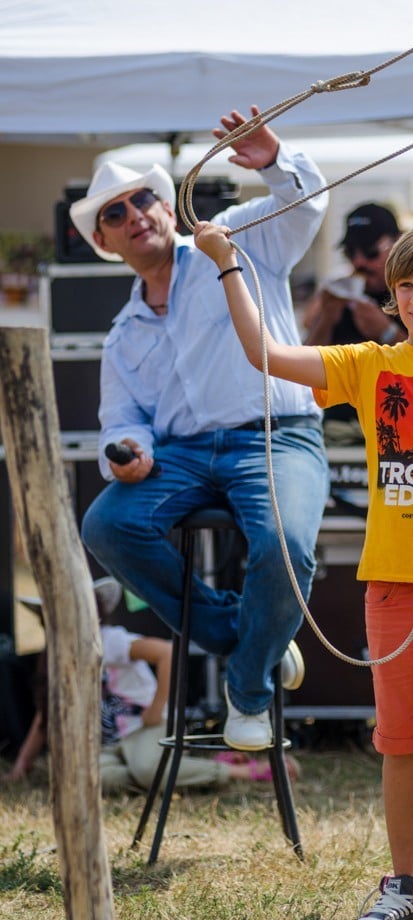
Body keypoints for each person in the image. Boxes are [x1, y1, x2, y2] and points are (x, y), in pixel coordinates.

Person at [193, 217, 413, 920]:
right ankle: (405, 886)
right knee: (402, 743)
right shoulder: (369, 364)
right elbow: (263, 351)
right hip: (392, 585)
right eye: (405, 285)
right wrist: (227, 264)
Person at [68, 106, 330, 753]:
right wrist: (124, 455)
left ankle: (247, 682)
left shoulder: (230, 236)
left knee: (287, 547)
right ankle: (252, 634)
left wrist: (272, 160)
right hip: (184, 455)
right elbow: (122, 425)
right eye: (116, 213)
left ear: (166, 205)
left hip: (278, 431)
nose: (135, 216)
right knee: (104, 524)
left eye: (142, 200)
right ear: (105, 241)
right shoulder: (124, 334)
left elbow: (306, 208)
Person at [3, 579, 299, 789]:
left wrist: (157, 708)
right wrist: (22, 766)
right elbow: (46, 715)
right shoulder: (54, 659)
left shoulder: (108, 640)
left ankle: (242, 773)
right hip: (108, 743)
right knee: (91, 779)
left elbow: (166, 653)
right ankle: (170, 770)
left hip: (144, 726)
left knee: (145, 768)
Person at [303, 203, 404, 442]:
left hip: (398, 425)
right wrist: (326, 319)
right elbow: (305, 370)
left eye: (370, 252)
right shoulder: (337, 292)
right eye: (350, 253)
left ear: (398, 245)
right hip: (339, 427)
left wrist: (386, 332)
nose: (359, 263)